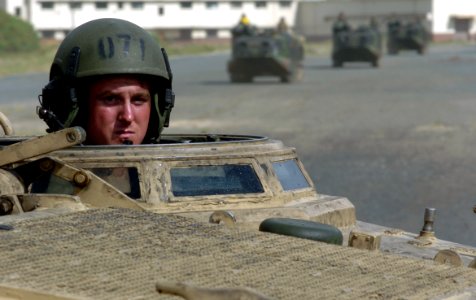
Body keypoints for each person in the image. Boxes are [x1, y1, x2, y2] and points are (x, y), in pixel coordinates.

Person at [37, 18, 175, 145]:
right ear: (71, 107)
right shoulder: (31, 170)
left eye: (138, 100)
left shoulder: (181, 167)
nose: (127, 116)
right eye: (110, 99)